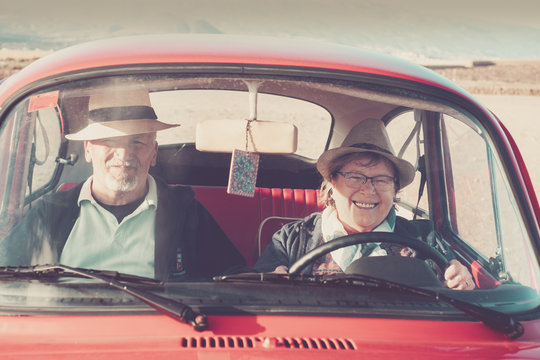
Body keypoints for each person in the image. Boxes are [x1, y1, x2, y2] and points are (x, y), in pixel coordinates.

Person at [0, 89, 245, 280]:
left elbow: (234, 281)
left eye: (137, 142)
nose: (124, 153)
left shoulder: (186, 212)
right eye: (109, 141)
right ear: (88, 149)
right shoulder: (51, 213)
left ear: (154, 153)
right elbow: (8, 278)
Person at [254, 118, 475, 290]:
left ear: (395, 189)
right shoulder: (291, 239)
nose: (368, 190)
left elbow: (457, 292)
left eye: (381, 180)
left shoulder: (425, 240)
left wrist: (461, 282)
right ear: (332, 182)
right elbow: (252, 295)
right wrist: (271, 284)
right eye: (354, 177)